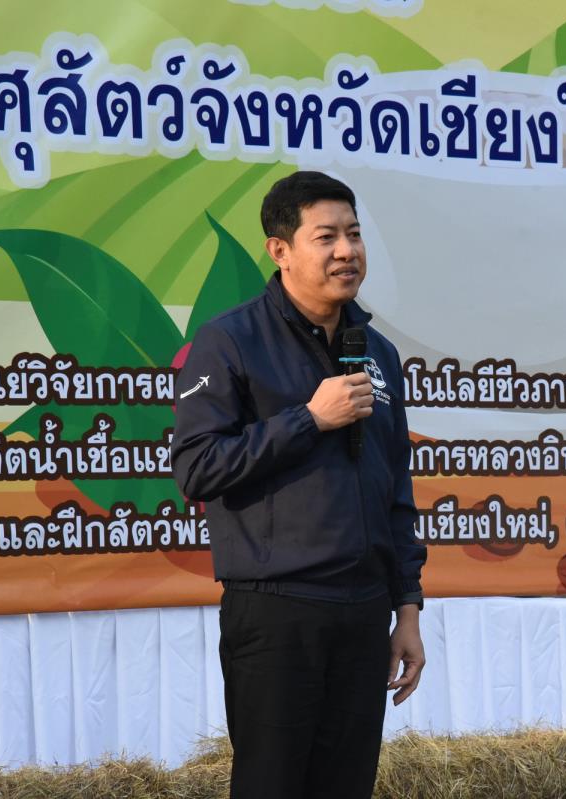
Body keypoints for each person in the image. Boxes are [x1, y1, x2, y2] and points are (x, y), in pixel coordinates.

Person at [170, 170, 427, 799]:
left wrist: (407, 608)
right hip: (278, 610)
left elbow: (395, 489)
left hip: (364, 612)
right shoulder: (230, 341)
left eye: (354, 234)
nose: (347, 251)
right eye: (326, 237)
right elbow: (197, 467)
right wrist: (308, 420)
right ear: (279, 250)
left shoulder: (377, 352)